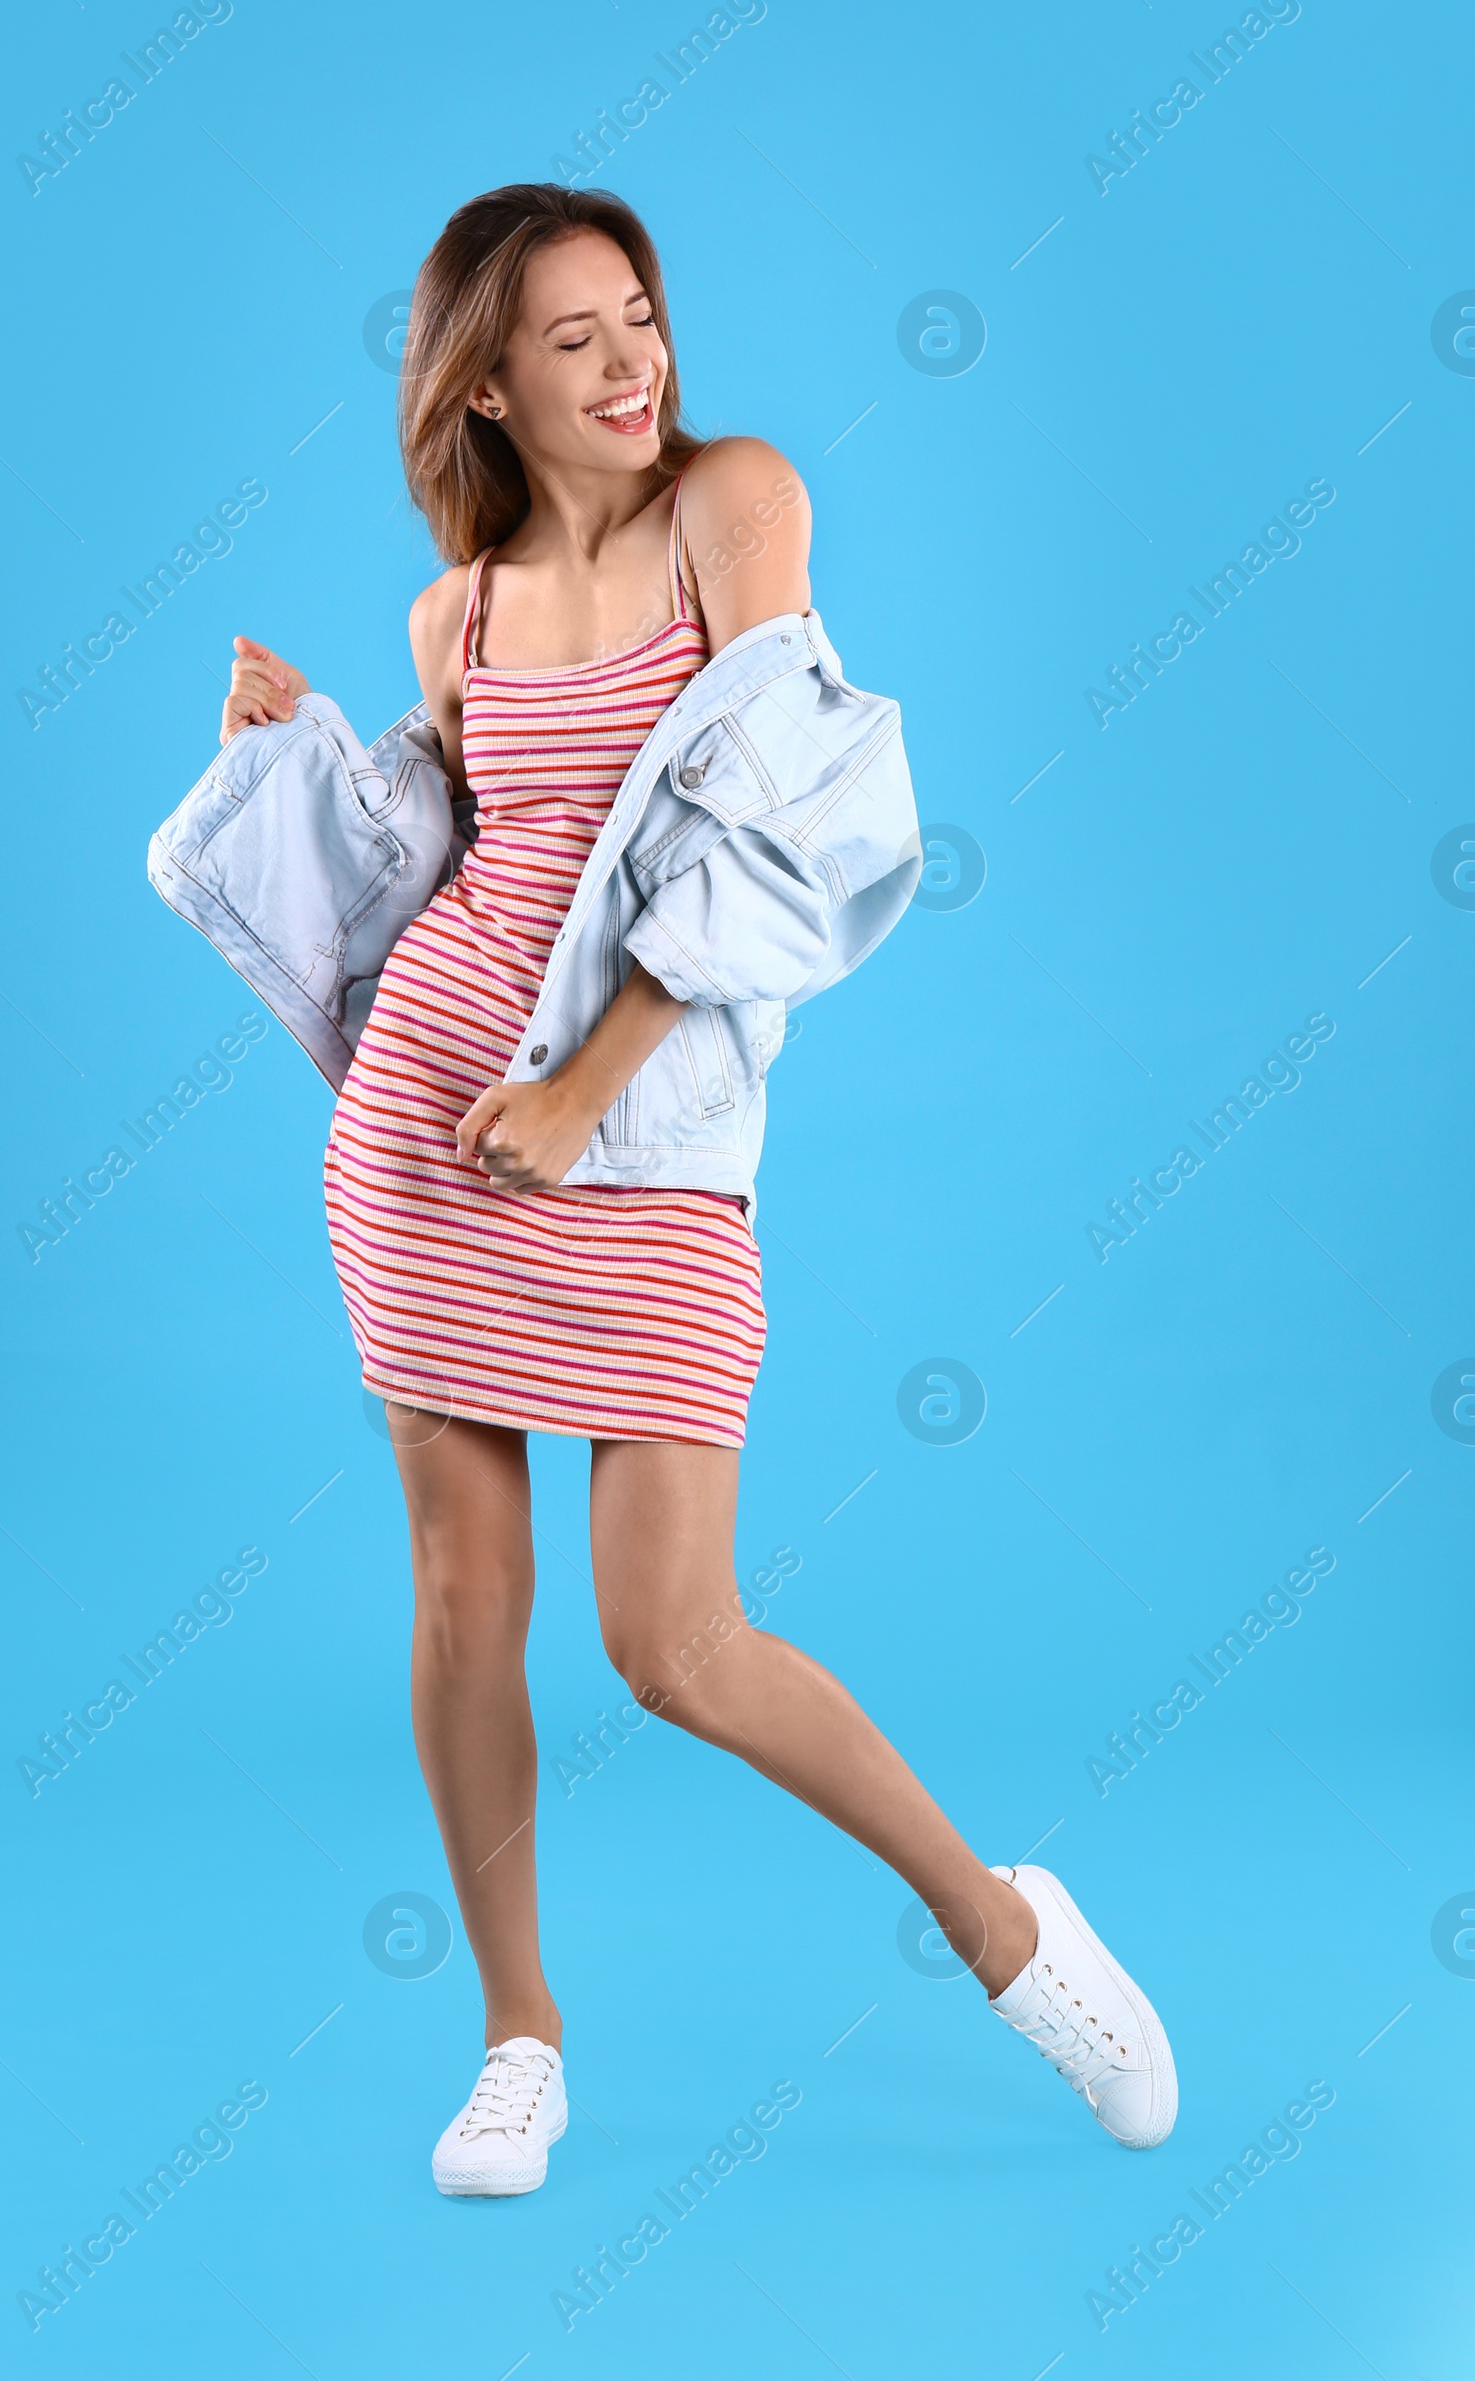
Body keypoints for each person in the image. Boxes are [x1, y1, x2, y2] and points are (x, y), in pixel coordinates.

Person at [217, 183, 1175, 2196]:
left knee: (675, 1639)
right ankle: (516, 2037)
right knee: (466, 1603)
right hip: (428, 1141)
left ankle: (1009, 1934)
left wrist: (587, 1086)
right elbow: (454, 870)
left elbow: (775, 821)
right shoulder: (453, 607)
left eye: (636, 316)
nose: (626, 363)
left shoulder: (731, 505)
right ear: (481, 384)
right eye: (570, 340)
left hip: (632, 1143)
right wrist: (299, 766)